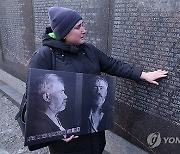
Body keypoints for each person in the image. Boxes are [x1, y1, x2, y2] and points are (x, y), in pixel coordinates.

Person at [28, 6, 168, 154]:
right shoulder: (44, 56)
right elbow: (34, 100)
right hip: (68, 141)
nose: (84, 30)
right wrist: (54, 132)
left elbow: (113, 65)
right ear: (64, 32)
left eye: (82, 24)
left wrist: (143, 75)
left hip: (94, 133)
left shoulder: (88, 50)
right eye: (78, 27)